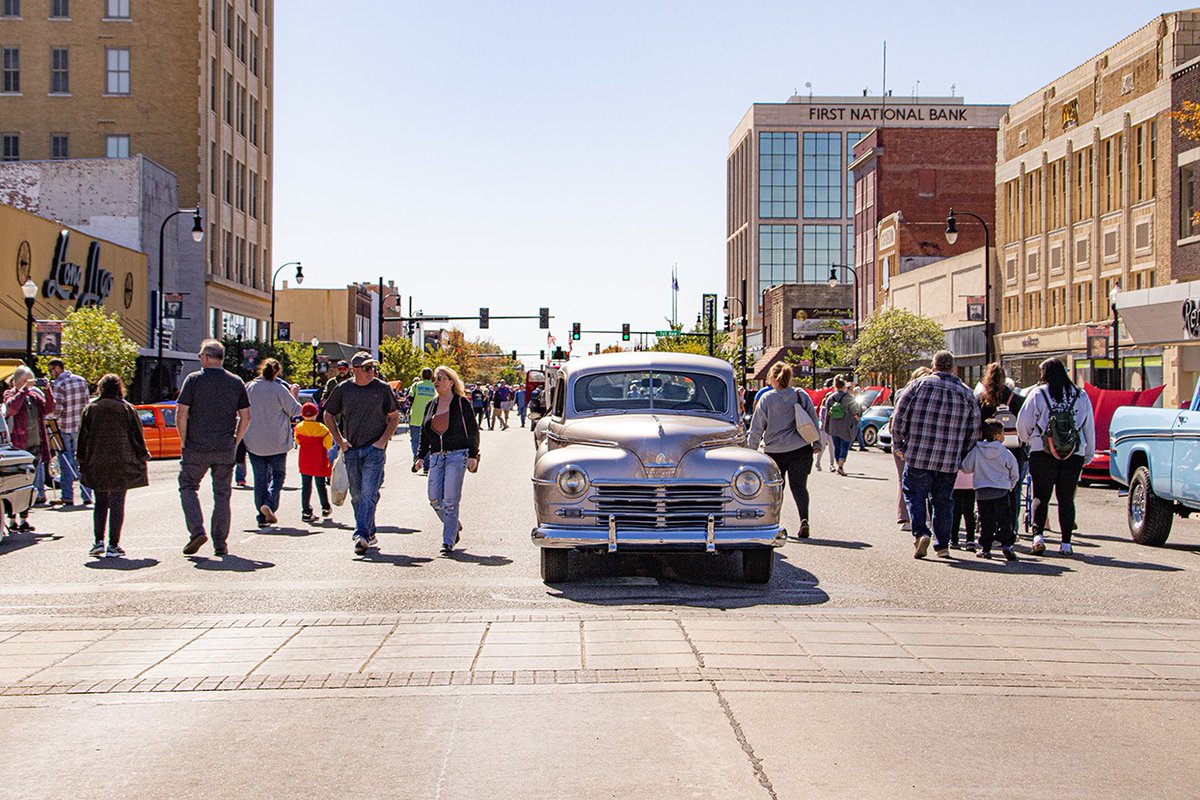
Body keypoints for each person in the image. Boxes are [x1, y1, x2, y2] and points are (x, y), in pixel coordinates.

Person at [891, 350, 981, 559]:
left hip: (918, 454)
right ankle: (942, 545)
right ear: (953, 368)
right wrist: (962, 453)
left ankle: (921, 533)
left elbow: (899, 416)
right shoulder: (966, 392)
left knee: (914, 495)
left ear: (933, 366)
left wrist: (900, 445)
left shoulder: (917, 385)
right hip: (949, 459)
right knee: (943, 501)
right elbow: (974, 429)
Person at [177, 339, 252, 557]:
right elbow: (246, 417)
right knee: (222, 494)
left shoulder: (193, 380)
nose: (200, 359)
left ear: (208, 357)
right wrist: (236, 440)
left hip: (196, 446)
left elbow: (181, 414)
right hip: (224, 446)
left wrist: (184, 440)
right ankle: (220, 542)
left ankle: (197, 531)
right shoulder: (235, 382)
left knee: (188, 486)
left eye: (201, 355)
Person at [323, 351, 401, 556]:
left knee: (367, 491)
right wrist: (340, 441)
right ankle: (370, 531)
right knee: (357, 495)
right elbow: (328, 414)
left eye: (372, 368)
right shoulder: (343, 389)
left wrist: (382, 442)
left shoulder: (382, 389)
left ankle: (361, 535)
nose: (370, 371)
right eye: (366, 368)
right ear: (354, 370)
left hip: (374, 450)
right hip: (352, 449)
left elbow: (394, 417)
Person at [1016, 357, 1096, 556]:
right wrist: (1087, 454)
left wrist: (1029, 440)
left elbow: (1023, 424)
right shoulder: (1080, 395)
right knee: (1066, 498)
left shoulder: (1038, 393)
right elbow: (1089, 427)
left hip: (1042, 451)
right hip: (1073, 453)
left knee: (1041, 495)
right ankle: (1066, 543)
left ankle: (1038, 536)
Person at [76, 374, 149, 558]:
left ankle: (98, 541)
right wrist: (142, 455)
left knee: (100, 502)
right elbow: (136, 436)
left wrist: (82, 460)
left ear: (100, 388)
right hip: (121, 462)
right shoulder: (126, 409)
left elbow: (82, 438)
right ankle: (113, 544)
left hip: (96, 462)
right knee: (117, 503)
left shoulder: (91, 409)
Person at [747, 361, 819, 539]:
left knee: (776, 490)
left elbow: (756, 429)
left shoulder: (767, 399)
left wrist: (750, 452)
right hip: (801, 449)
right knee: (799, 487)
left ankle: (775, 522)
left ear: (773, 377)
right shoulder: (800, 394)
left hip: (775, 453)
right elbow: (813, 419)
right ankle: (804, 520)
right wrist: (817, 443)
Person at [414, 365, 480, 554]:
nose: (436, 382)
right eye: (435, 378)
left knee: (450, 501)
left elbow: (472, 430)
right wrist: (420, 457)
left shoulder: (461, 403)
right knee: (434, 499)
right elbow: (424, 435)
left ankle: (447, 541)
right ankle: (454, 525)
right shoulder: (431, 405)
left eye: (441, 378)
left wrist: (473, 454)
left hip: (456, 456)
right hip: (436, 457)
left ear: (451, 382)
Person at [243, 358, 301, 528]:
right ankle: (270, 503)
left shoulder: (250, 387)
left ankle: (261, 516)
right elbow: (295, 410)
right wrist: (293, 395)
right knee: (278, 476)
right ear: (277, 372)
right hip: (276, 440)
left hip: (253, 440)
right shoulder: (279, 389)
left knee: (260, 478)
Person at [977, 363, 1027, 542]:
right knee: (1013, 491)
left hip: (986, 453)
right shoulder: (1017, 400)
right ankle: (1010, 530)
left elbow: (976, 427)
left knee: (987, 492)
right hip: (1013, 451)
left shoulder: (982, 400)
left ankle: (987, 530)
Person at [3, 366, 56, 532]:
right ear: (19, 381)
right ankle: (12, 520)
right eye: (26, 380)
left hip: (35, 444)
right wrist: (23, 390)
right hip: (19, 446)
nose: (30, 384)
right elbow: (11, 409)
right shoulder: (10, 394)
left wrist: (47, 391)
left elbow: (48, 409)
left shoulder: (34, 396)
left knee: (29, 484)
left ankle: (24, 518)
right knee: (16, 484)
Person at [962, 419, 1021, 561]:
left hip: (982, 491)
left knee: (986, 521)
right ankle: (1007, 545)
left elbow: (965, 467)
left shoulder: (977, 450)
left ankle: (986, 548)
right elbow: (1015, 473)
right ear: (998, 436)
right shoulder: (1005, 452)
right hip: (1001, 490)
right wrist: (1010, 486)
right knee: (1004, 519)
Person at [46, 358, 93, 507]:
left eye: (51, 370)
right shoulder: (81, 380)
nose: (50, 374)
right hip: (80, 426)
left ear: (58, 368)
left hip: (65, 426)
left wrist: (47, 418)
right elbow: (87, 403)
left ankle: (67, 496)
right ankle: (86, 494)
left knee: (65, 461)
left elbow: (57, 409)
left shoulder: (59, 384)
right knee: (82, 460)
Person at [893, 367, 931, 531]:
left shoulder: (903, 393)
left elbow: (897, 420)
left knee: (905, 480)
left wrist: (897, 443)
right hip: (920, 443)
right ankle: (923, 519)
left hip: (905, 442)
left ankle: (907, 518)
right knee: (925, 482)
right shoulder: (929, 393)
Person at [294, 402, 333, 522]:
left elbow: (298, 441)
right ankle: (325, 507)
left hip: (305, 460)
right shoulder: (322, 429)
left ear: (302, 415)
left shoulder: (299, 428)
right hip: (319, 460)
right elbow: (328, 444)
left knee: (306, 486)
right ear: (316, 414)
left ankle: (306, 511)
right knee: (320, 485)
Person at [819, 375, 861, 476]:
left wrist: (826, 426)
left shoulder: (830, 398)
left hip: (833, 426)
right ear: (844, 386)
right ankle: (841, 465)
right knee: (845, 445)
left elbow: (827, 414)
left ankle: (838, 463)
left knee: (836, 446)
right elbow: (855, 411)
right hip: (846, 426)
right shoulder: (848, 398)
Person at [407, 368, 436, 465]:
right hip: (429, 418)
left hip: (415, 417)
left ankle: (417, 460)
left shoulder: (416, 385)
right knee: (427, 442)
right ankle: (426, 464)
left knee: (415, 440)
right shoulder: (434, 387)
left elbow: (410, 398)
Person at [951, 468, 976, 551]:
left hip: (955, 483)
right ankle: (970, 540)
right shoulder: (971, 454)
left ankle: (954, 540)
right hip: (970, 483)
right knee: (969, 514)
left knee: (955, 514)